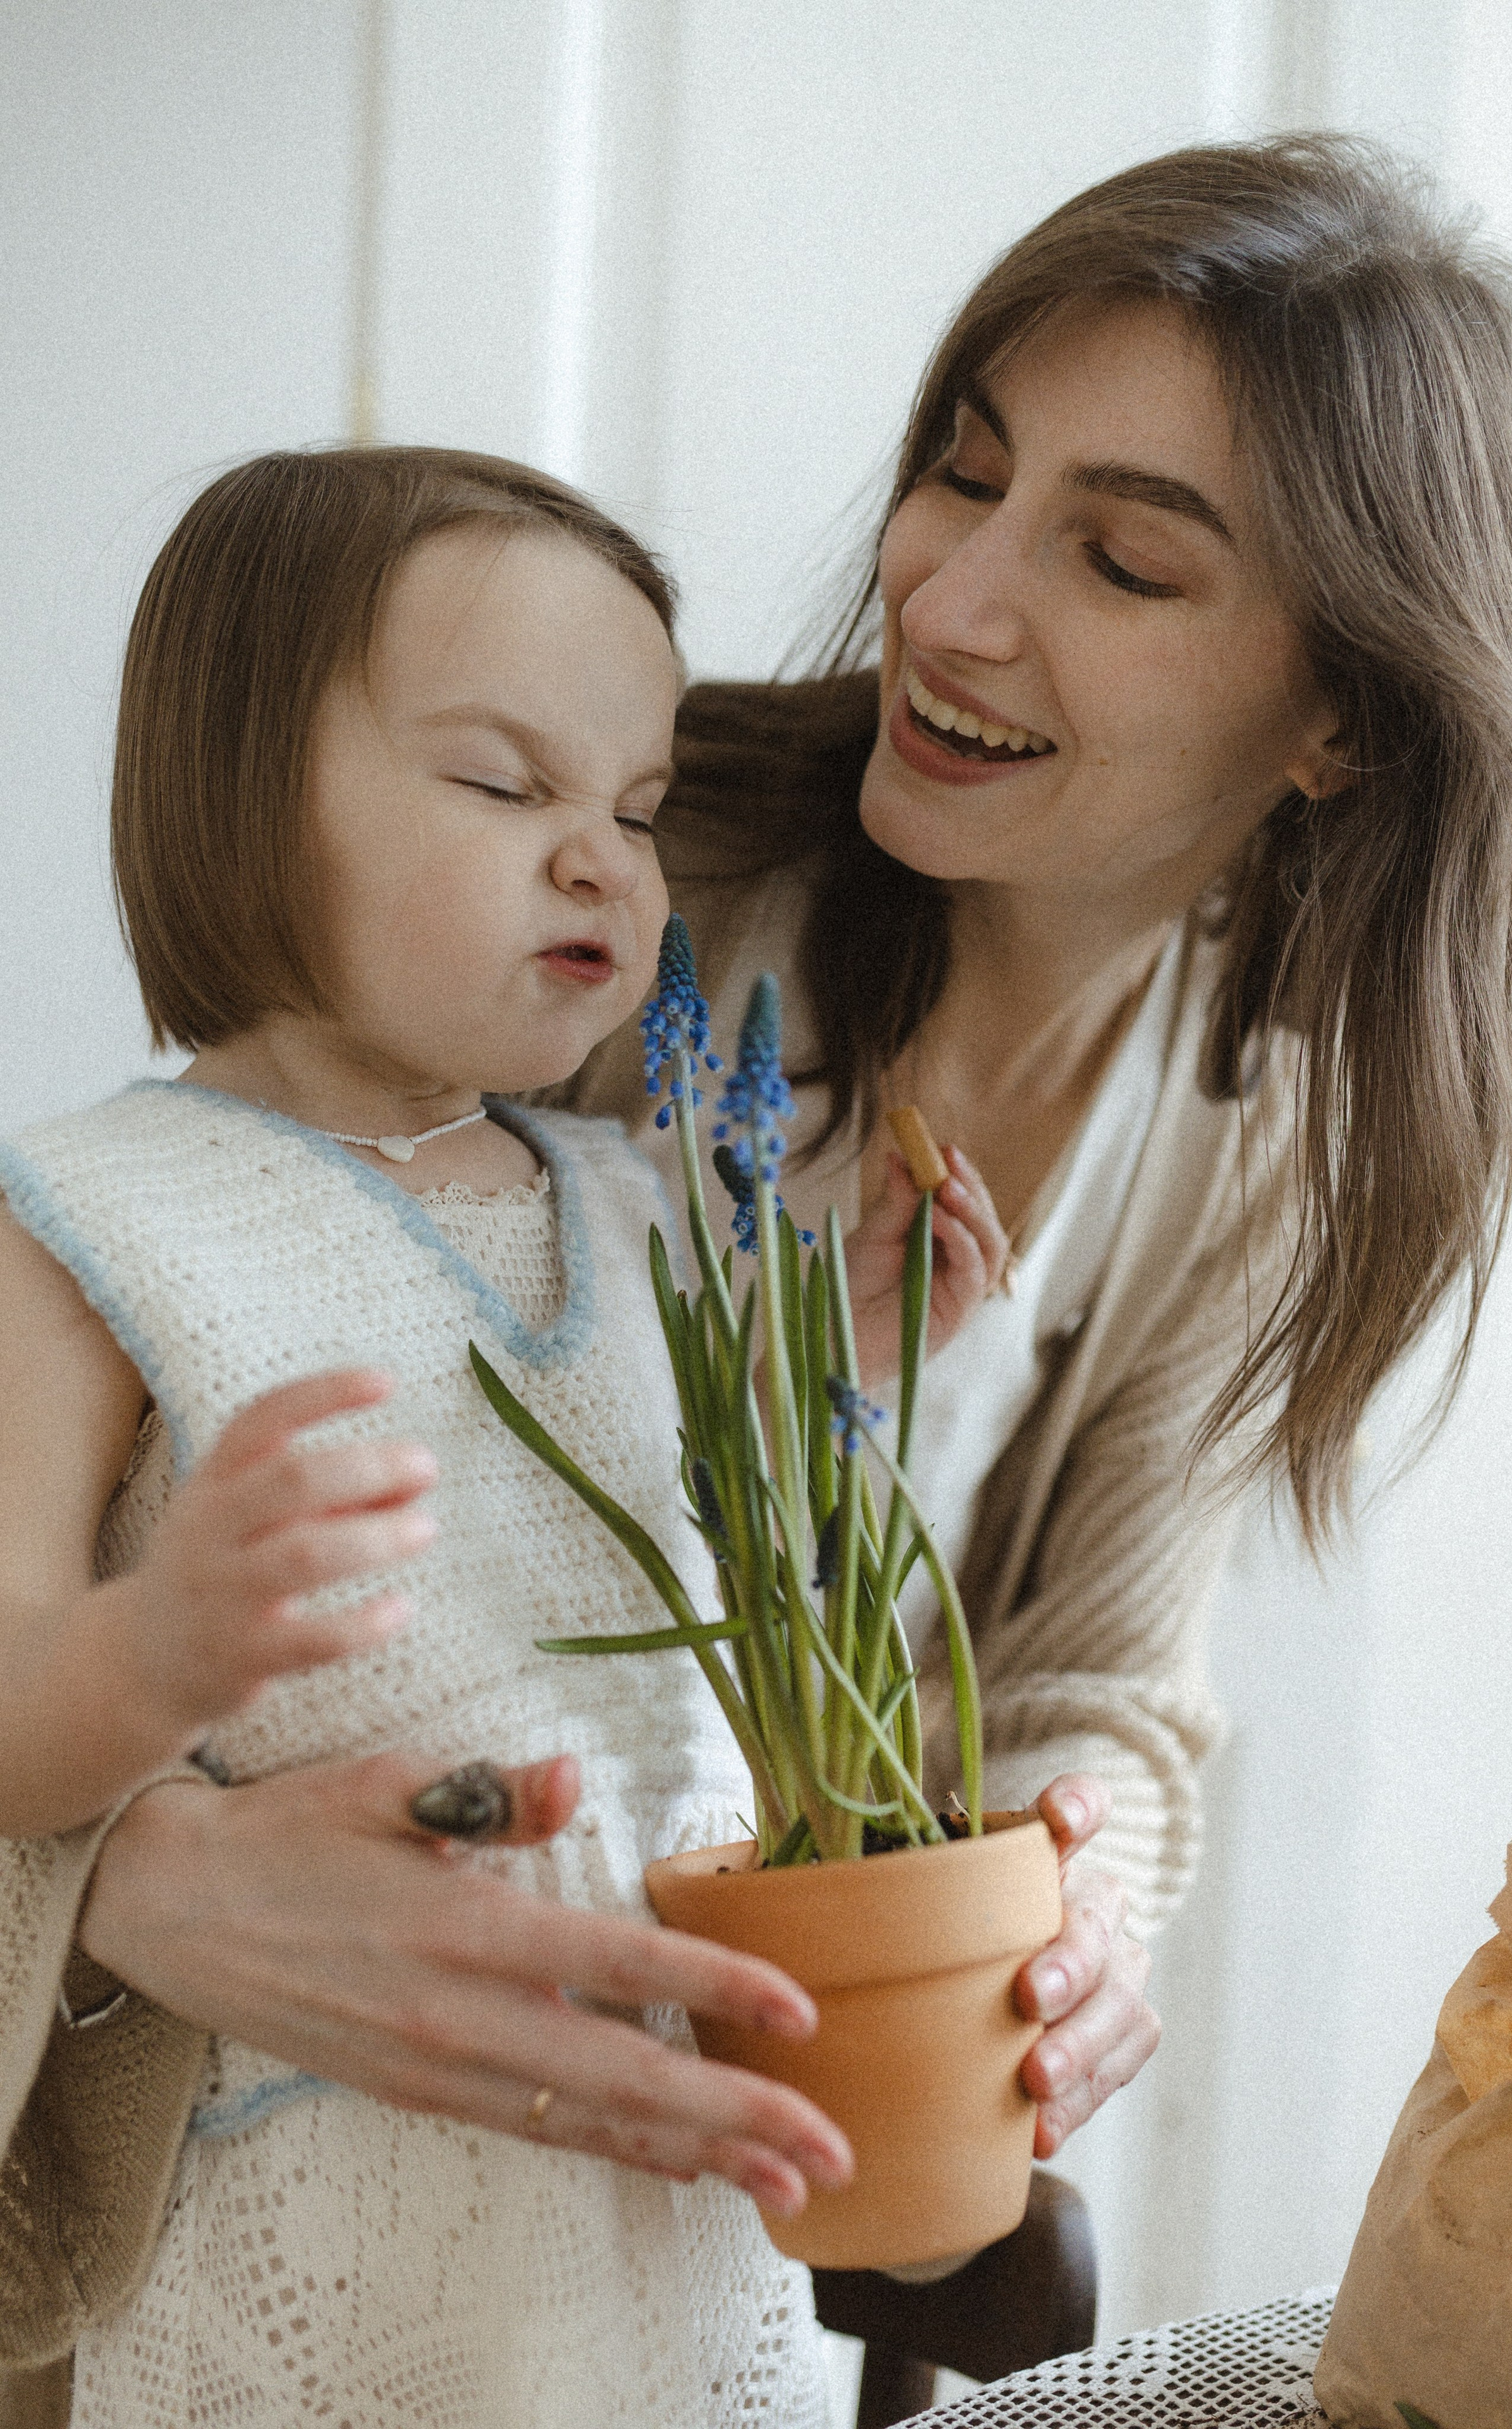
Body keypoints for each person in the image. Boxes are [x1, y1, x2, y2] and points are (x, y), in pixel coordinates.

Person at [0, 445, 1016, 2426]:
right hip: (333, 2211)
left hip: (674, 2212)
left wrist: (860, 1364)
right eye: (502, 785)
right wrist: (153, 1653)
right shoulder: (94, 1223)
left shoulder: (646, 1210)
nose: (606, 865)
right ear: (240, 795)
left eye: (635, 809)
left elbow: (740, 1598)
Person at [560, 133, 1512, 2015]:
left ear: (1342, 724)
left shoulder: (1257, 1143)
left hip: (783, 2064)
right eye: (968, 471)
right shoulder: (616, 876)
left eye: (1121, 561)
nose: (945, 604)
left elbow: (1097, 1684)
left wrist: (1069, 1911)